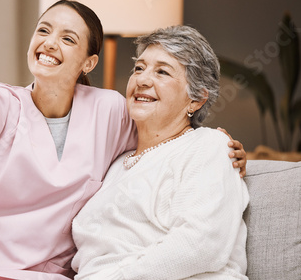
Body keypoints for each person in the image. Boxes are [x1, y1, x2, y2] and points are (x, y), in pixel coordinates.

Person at [0, 0, 247, 280]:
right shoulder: (8, 106)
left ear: (89, 62)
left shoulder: (112, 112)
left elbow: (172, 135)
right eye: (44, 30)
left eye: (68, 38)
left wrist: (220, 142)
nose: (49, 43)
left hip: (35, 271)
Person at [71, 25, 250, 280]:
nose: (142, 80)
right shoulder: (117, 161)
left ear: (196, 99)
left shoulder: (209, 146)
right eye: (139, 68)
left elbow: (200, 245)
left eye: (162, 72)